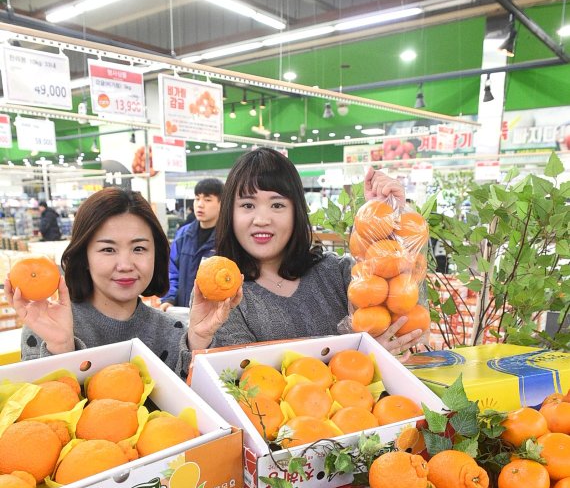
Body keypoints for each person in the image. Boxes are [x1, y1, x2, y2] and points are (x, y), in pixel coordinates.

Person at [200, 148, 423, 357]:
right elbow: (243, 380)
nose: (262, 220)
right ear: (230, 212)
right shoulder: (222, 292)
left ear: (296, 211)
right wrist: (364, 356)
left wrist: (390, 224)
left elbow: (405, 310)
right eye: (248, 205)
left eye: (277, 205)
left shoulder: (337, 273)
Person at [6, 188, 240, 380]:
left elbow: (193, 415)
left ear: (156, 255)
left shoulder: (174, 332)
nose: (126, 264)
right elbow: (42, 422)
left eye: (139, 248)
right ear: (84, 257)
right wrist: (61, 348)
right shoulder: (48, 326)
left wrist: (198, 341)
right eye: (108, 249)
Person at [160, 179, 224, 311]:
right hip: (183, 312)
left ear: (221, 204)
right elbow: (172, 271)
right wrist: (169, 299)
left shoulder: (227, 238)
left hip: (214, 314)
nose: (200, 205)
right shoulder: (183, 234)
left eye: (207, 200)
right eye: (197, 198)